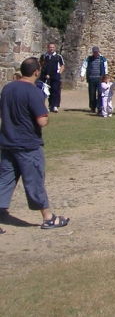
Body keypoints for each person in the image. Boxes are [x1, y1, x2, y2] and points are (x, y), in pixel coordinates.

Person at [0, 57, 70, 231]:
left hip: (7, 142)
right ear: (36, 72)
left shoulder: (7, 89)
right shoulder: (33, 92)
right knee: (34, 181)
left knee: (4, 180)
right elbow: (41, 121)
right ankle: (48, 218)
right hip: (28, 144)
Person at [80, 46, 108, 114]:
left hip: (100, 79)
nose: (95, 53)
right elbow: (84, 66)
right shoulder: (89, 59)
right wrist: (82, 74)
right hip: (91, 78)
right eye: (94, 52)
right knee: (92, 94)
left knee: (100, 93)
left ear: (98, 51)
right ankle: (92, 107)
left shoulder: (102, 59)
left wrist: (106, 77)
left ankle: (99, 107)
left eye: (96, 52)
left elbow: (105, 67)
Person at [41, 43, 65, 113]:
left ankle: (55, 105)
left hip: (55, 75)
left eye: (53, 47)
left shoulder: (58, 56)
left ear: (54, 48)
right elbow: (42, 64)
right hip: (47, 75)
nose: (51, 49)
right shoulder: (45, 56)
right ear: (48, 48)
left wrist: (59, 73)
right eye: (50, 47)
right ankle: (50, 105)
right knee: (48, 91)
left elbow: (62, 65)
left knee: (56, 90)